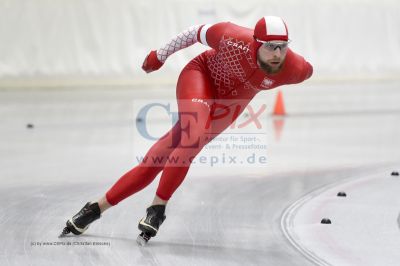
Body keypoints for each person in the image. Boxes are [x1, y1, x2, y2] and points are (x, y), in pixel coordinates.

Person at [60, 16, 313, 245]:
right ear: (255, 44)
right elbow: (193, 32)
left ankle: (94, 208)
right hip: (201, 78)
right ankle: (157, 209)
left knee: (159, 159)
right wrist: (159, 55)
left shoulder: (296, 69)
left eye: (283, 46)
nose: (277, 54)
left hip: (230, 104)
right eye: (270, 46)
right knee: (193, 136)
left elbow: (308, 69)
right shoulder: (231, 36)